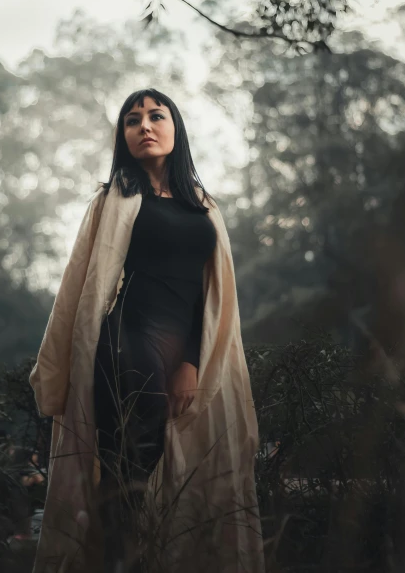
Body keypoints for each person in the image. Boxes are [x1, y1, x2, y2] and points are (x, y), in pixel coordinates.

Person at [29, 88, 265, 573]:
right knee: (134, 453)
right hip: (127, 337)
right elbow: (84, 281)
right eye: (132, 120)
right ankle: (117, 556)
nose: (144, 126)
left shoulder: (203, 207)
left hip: (180, 345)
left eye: (156, 116)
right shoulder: (114, 200)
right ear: (124, 136)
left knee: (149, 461)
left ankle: (134, 553)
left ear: (176, 130)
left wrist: (191, 363)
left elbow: (210, 296)